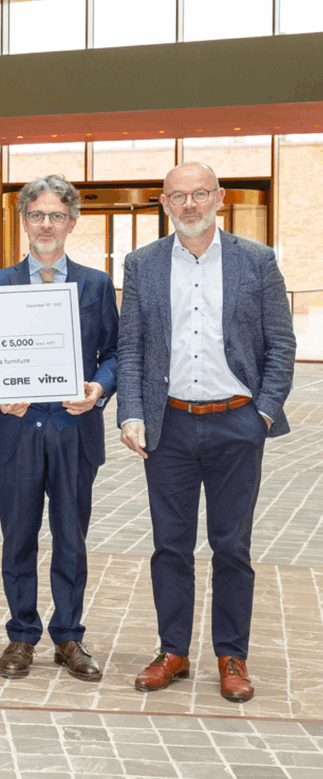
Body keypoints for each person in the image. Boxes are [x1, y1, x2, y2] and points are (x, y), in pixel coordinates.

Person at [118, 161, 294, 703]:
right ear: (165, 203)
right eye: (178, 197)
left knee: (231, 546)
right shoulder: (142, 264)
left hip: (237, 423)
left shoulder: (256, 261)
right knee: (170, 546)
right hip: (167, 426)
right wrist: (131, 413)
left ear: (218, 197)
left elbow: (281, 345)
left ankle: (230, 655)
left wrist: (261, 413)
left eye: (199, 194)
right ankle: (173, 651)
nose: (189, 205)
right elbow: (131, 348)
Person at [0, 174, 118, 682]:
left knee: (70, 538)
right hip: (17, 432)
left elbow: (115, 354)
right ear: (24, 221)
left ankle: (68, 636)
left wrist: (99, 390)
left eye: (56, 215)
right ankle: (21, 635)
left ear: (72, 222)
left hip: (74, 430)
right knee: (18, 537)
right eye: (36, 214)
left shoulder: (96, 284)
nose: (46, 224)